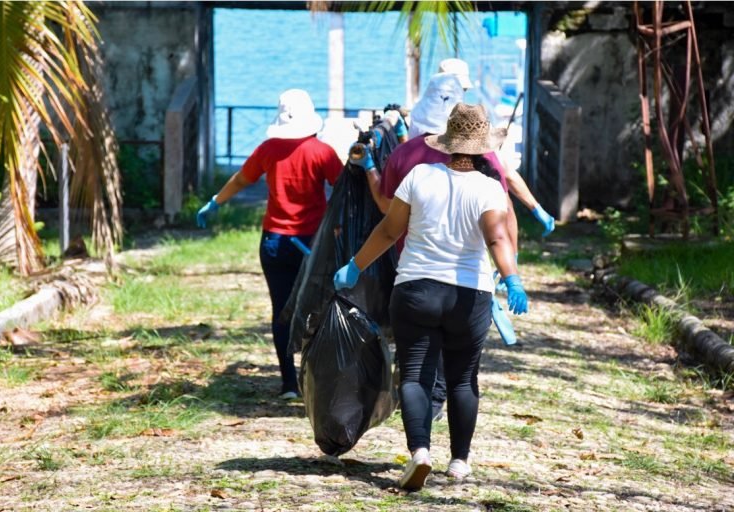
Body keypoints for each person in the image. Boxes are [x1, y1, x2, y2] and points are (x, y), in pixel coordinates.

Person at [335, 103, 528, 490]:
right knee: (462, 380)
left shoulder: (420, 176)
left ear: (446, 143)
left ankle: (420, 453)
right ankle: (458, 462)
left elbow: (389, 231)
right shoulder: (489, 188)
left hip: (415, 290)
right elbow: (497, 237)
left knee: (415, 376)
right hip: (469, 297)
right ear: (480, 147)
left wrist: (355, 266)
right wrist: (512, 278)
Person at [197, 89, 343, 400]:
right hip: (312, 243)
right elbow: (343, 189)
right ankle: (315, 378)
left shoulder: (268, 149)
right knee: (318, 308)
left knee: (283, 310)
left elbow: (240, 179)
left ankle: (289, 383)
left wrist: (215, 202)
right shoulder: (321, 151)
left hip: (275, 242)